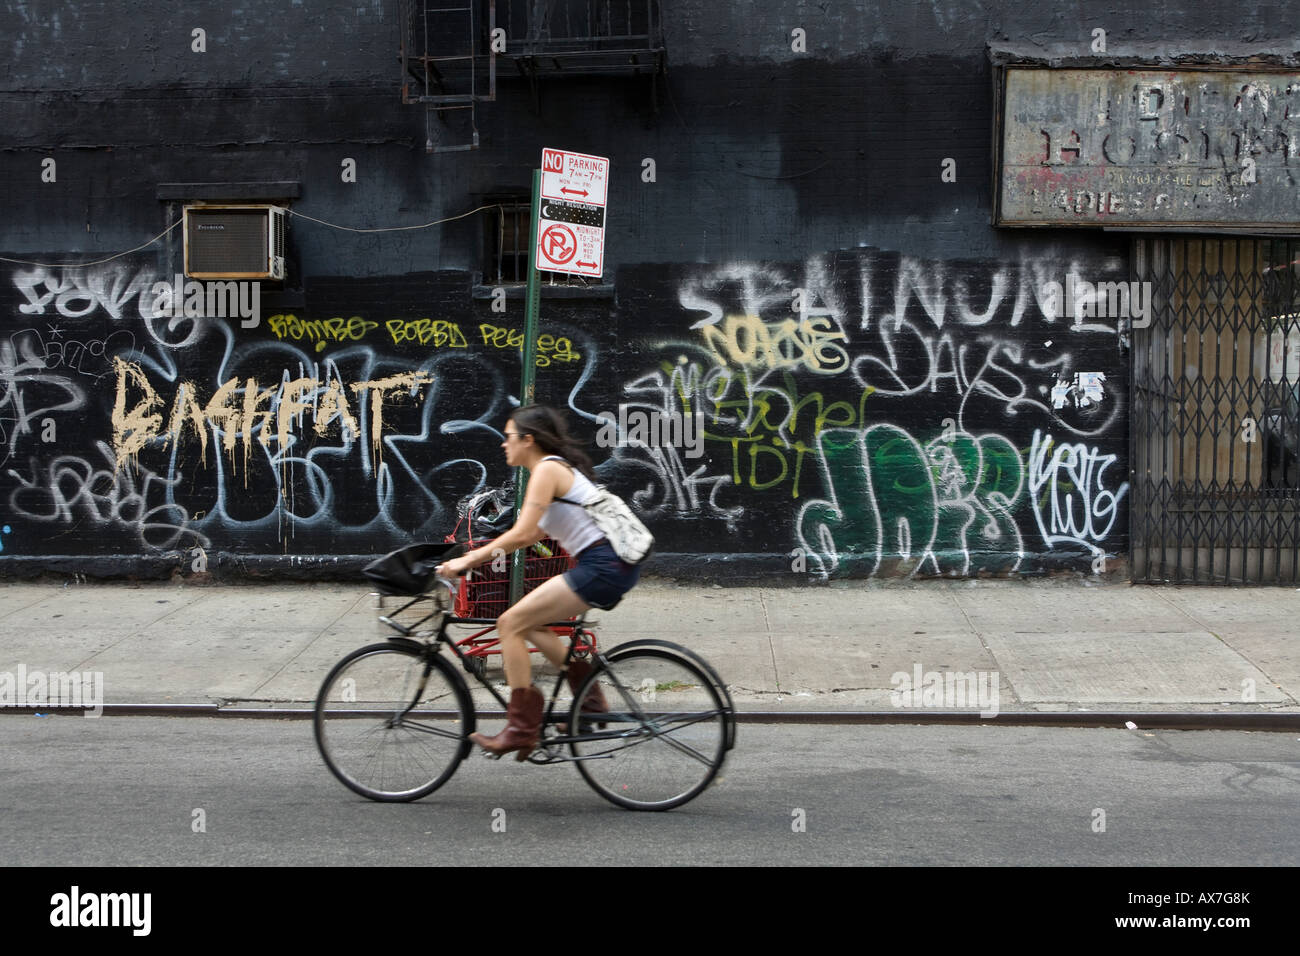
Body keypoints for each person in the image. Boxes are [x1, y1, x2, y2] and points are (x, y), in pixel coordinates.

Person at [436, 404, 642, 761]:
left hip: (602, 565)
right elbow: (537, 534)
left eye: (509, 436)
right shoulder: (554, 471)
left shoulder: (547, 470)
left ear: (528, 440)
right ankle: (590, 699)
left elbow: (524, 533)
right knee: (528, 622)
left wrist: (469, 559)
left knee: (510, 623)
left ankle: (521, 728)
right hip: (609, 564)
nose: (504, 444)